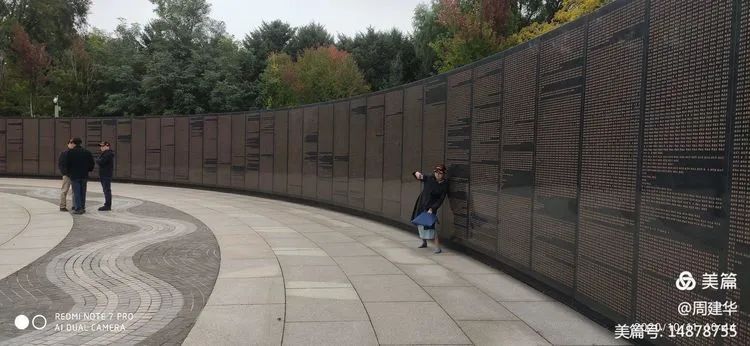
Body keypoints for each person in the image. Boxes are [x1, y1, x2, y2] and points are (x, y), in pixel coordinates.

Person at [411, 164, 449, 254]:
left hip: (432, 206)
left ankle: (437, 248)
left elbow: (441, 199)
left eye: (440, 173)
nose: (437, 175)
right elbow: (418, 176)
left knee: (431, 226)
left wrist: (432, 208)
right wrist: (416, 173)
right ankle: (424, 242)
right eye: (436, 172)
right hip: (422, 203)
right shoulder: (429, 178)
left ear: (443, 174)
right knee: (420, 222)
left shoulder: (445, 184)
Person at [65, 137, 95, 214]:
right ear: (80, 143)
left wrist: (69, 172)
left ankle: (78, 208)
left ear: (74, 143)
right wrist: (88, 170)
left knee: (76, 192)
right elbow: (91, 164)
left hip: (74, 175)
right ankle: (82, 206)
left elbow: (67, 164)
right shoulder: (87, 152)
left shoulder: (70, 152)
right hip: (84, 175)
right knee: (83, 191)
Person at [57, 139, 75, 212]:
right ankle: (62, 206)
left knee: (75, 191)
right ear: (68, 144)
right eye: (70, 143)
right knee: (64, 191)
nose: (72, 144)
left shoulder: (76, 153)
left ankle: (75, 205)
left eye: (73, 143)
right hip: (67, 175)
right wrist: (65, 173)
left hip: (75, 175)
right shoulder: (64, 153)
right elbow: (61, 164)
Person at [96, 141, 115, 211]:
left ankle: (107, 205)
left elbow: (101, 162)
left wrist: (98, 160)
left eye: (103, 146)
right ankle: (107, 204)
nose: (101, 147)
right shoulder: (105, 153)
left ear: (107, 146)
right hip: (104, 174)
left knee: (106, 190)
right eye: (100, 146)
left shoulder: (108, 154)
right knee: (106, 190)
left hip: (106, 175)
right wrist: (99, 160)